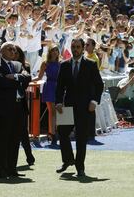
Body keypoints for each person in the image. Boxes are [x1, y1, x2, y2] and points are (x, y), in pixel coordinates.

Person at [55, 38, 103, 177]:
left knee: (81, 138)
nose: (75, 49)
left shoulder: (91, 64)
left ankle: (80, 168)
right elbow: (59, 86)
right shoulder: (64, 65)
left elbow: (99, 85)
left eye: (77, 47)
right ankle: (68, 160)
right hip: (67, 106)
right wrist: (58, 101)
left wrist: (94, 100)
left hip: (85, 107)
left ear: (83, 48)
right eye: (73, 46)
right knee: (62, 133)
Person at [0, 42, 31, 179]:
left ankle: (12, 168)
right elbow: (1, 83)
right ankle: (1, 170)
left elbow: (27, 78)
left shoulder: (18, 65)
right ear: (2, 51)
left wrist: (17, 77)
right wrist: (18, 80)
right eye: (10, 49)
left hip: (19, 107)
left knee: (14, 140)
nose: (13, 51)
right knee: (3, 140)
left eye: (14, 49)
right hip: (4, 108)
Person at [34, 44, 60, 145]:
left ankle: (54, 132)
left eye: (56, 51)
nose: (55, 52)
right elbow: (39, 77)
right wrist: (28, 81)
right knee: (52, 111)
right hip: (49, 87)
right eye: (53, 50)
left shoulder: (60, 64)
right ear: (50, 52)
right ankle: (53, 134)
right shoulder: (45, 63)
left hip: (58, 88)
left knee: (57, 112)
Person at [14, 45, 35, 166]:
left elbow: (26, 80)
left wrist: (16, 77)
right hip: (10, 103)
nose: (14, 54)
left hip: (21, 103)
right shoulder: (7, 66)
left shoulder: (25, 66)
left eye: (16, 52)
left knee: (23, 132)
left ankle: (29, 155)